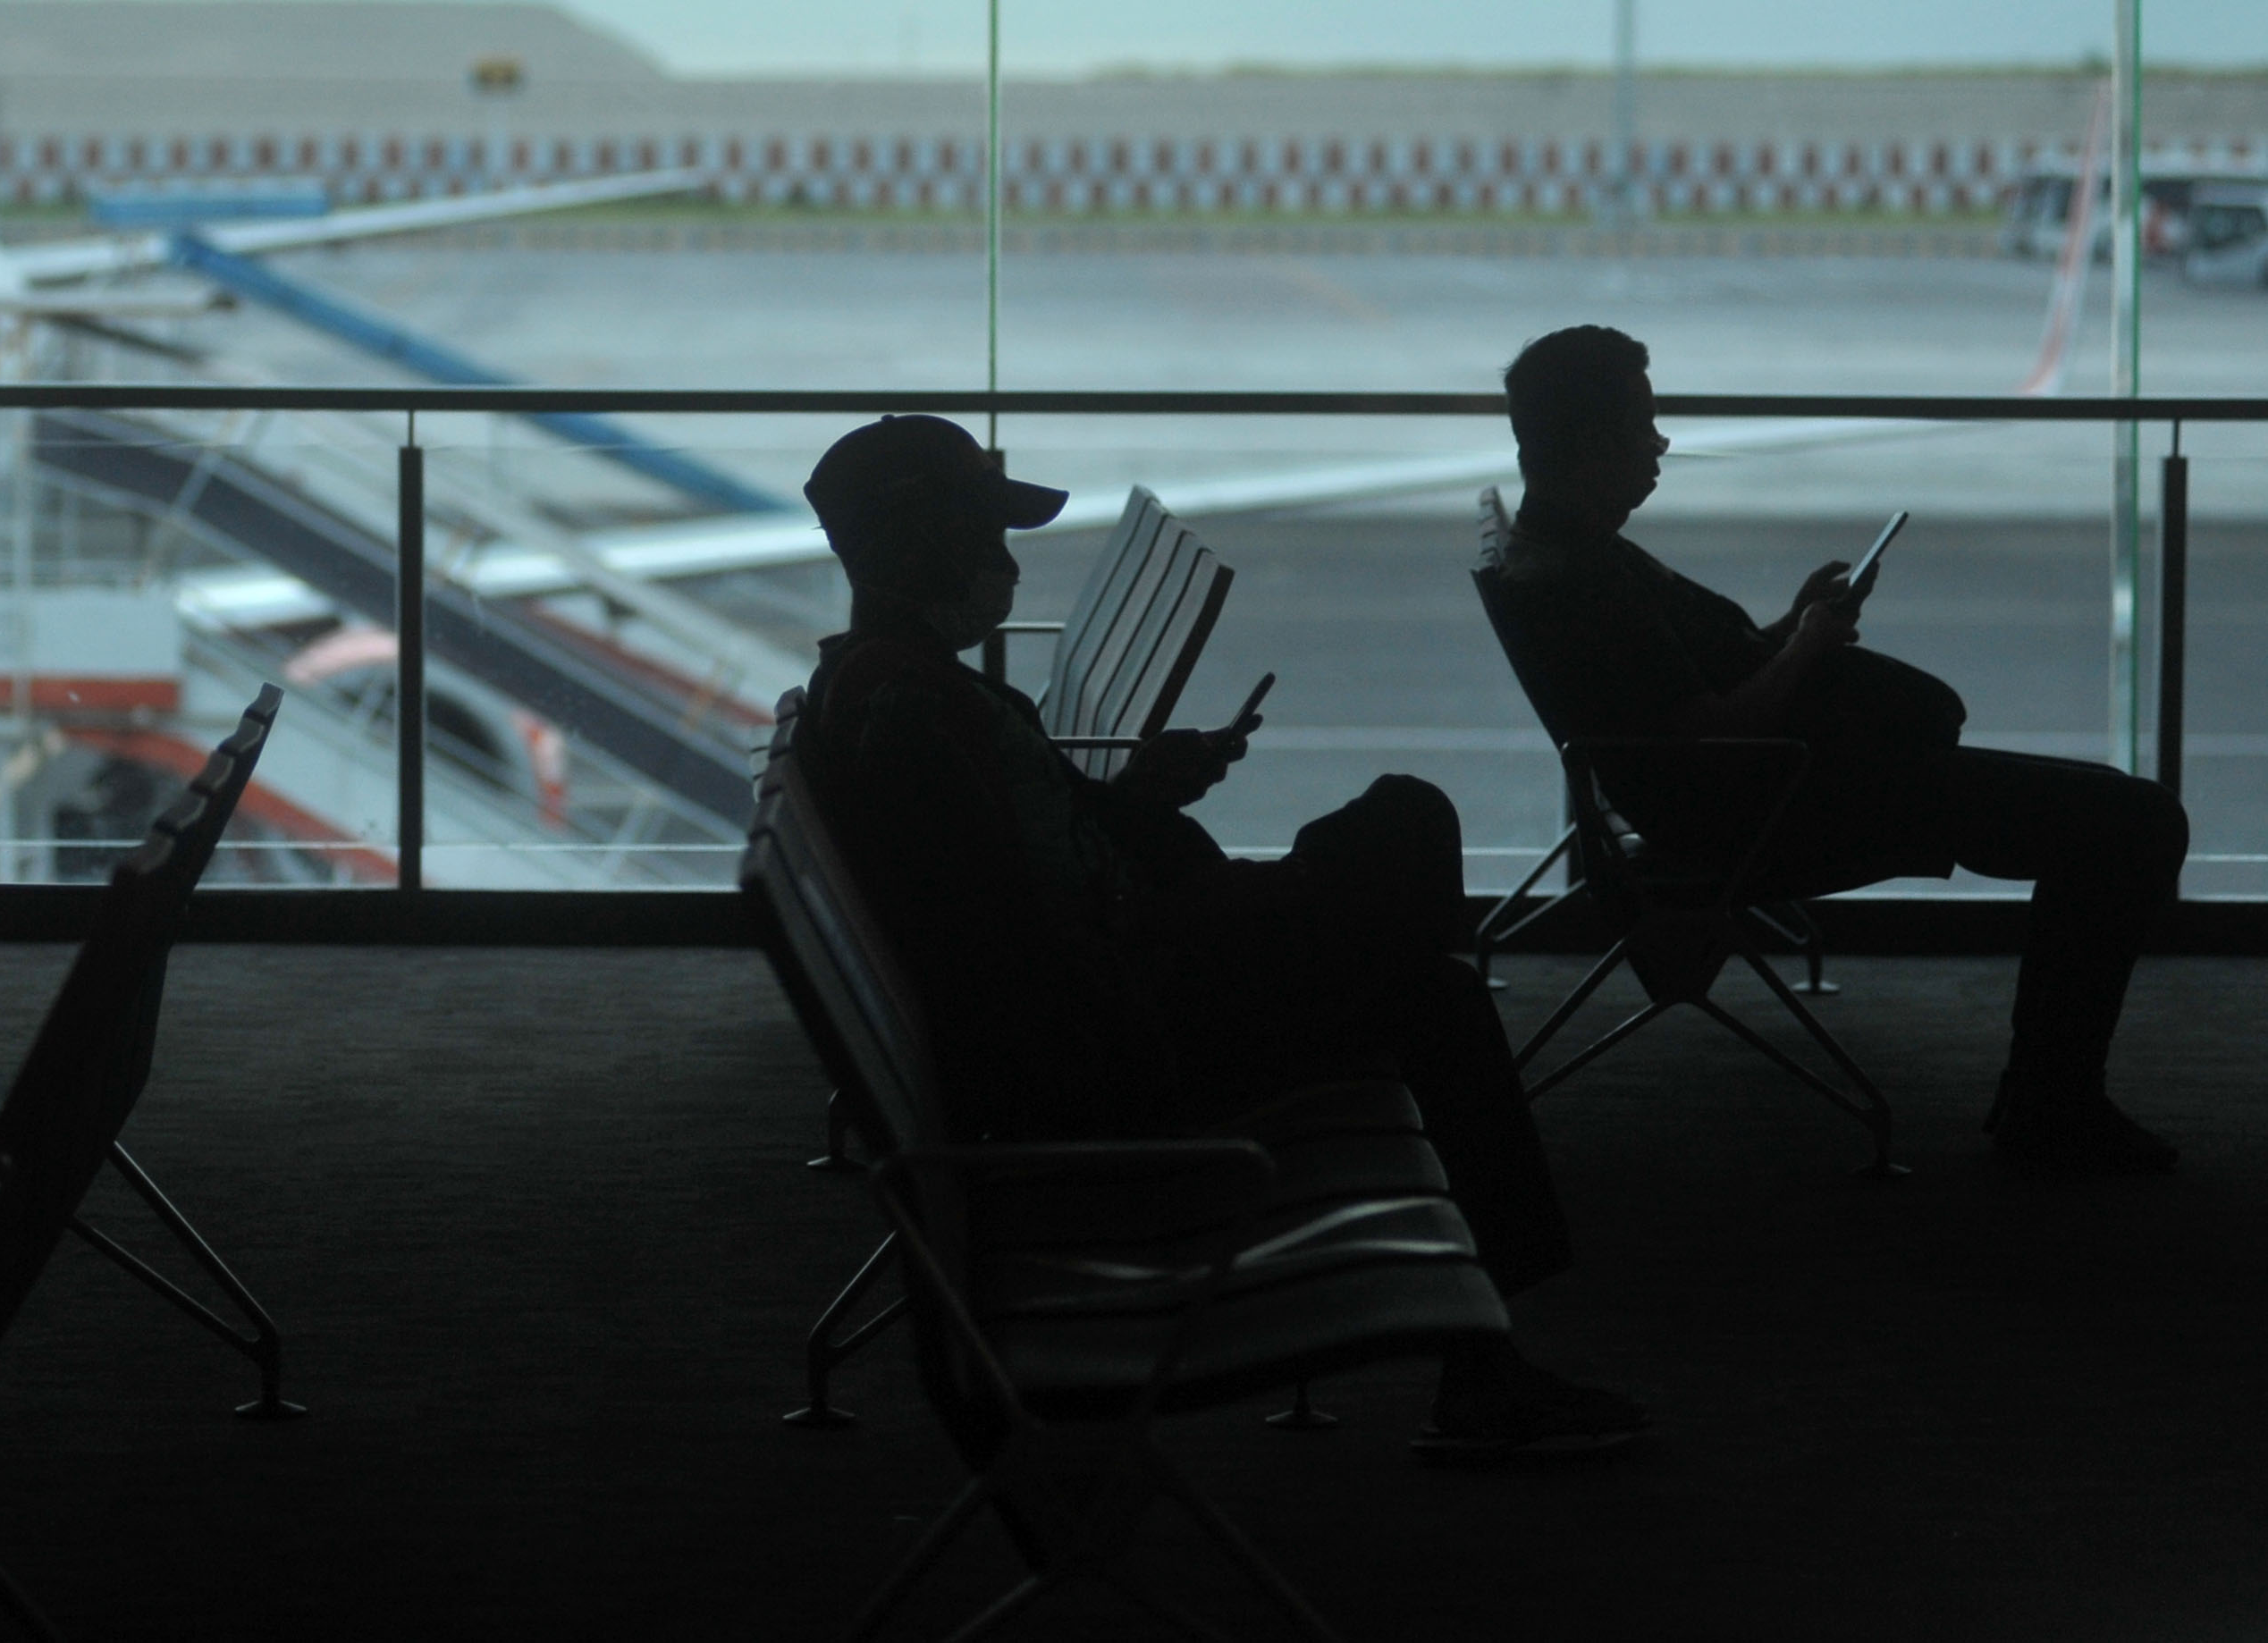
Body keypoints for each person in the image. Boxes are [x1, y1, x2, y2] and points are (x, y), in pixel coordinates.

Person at [794, 414, 1646, 1463]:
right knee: (1414, 874)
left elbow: (1015, 879)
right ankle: (1481, 1354)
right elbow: (1036, 937)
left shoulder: (882, 688)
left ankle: (1481, 1349)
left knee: (1414, 941)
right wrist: (1200, 901)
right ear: (916, 540)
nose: (1001, 562)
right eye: (983, 535)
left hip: (1129, 982)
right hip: (1132, 1028)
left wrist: (1138, 799)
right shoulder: (917, 715)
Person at [1490, 324, 2187, 1175]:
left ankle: (2047, 1092)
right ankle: (2050, 1099)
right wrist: (1802, 651)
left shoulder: (1565, 556)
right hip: (1776, 805)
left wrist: (1791, 628)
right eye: (1643, 425)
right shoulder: (1589, 580)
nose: (1660, 441)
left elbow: (1681, 698)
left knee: (2108, 815)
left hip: (1777, 786)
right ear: (1596, 443)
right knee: (2130, 821)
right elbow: (1706, 736)